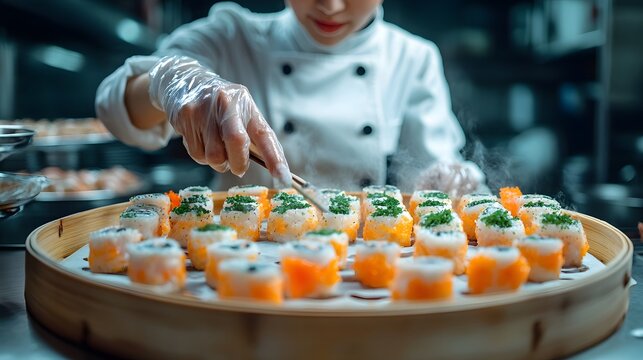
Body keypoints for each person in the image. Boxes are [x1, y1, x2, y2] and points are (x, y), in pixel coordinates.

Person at [96, 0, 484, 195]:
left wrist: (447, 179)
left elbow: (434, 171)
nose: (331, 6)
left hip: (357, 278)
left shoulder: (413, 57)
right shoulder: (231, 36)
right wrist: (176, 80)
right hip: (235, 272)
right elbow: (113, 108)